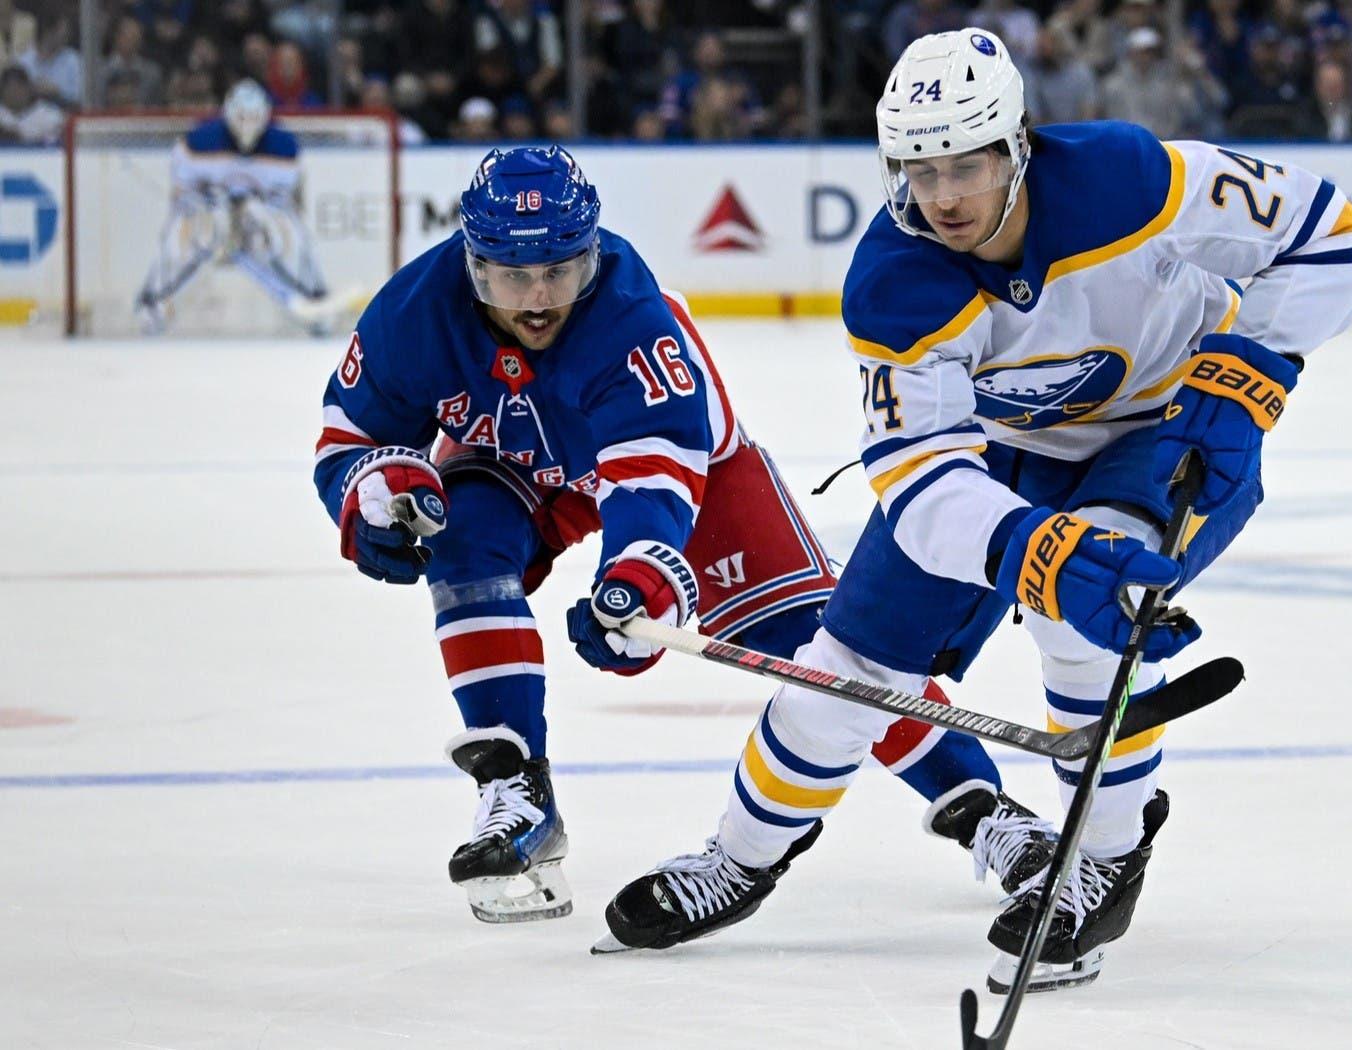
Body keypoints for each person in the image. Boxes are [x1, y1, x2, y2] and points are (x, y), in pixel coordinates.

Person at [602, 27, 1352, 993]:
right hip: (998, 451)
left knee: (1094, 617)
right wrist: (1024, 546)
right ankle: (739, 858)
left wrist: (1252, 365)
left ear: (1017, 144)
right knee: (840, 670)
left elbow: (1330, 235)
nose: (943, 197)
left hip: (1169, 428)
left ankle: (1103, 859)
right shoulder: (895, 283)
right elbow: (920, 481)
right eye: (918, 171)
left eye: (966, 164)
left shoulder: (1127, 179)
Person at [312, 145, 1055, 926]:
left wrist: (637, 582)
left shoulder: (633, 321)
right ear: (470, 264)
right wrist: (373, 497)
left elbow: (652, 485)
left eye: (559, 272)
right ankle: (513, 784)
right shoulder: (412, 313)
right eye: (508, 277)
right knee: (461, 545)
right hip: (516, 464)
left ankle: (983, 809)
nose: (536, 300)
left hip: (697, 474)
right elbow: (346, 441)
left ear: (591, 253)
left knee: (826, 647)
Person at [134, 80, 332, 335]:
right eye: (242, 116)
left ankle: (314, 300)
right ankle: (153, 305)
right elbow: (182, 195)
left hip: (256, 217)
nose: (247, 124)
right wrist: (211, 204)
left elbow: (286, 201)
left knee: (292, 237)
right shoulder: (198, 143)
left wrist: (253, 207)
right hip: (210, 215)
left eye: (254, 117)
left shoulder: (284, 148)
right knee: (179, 240)